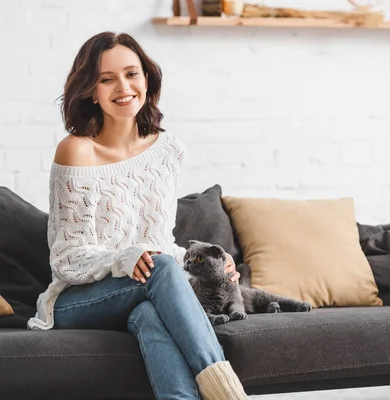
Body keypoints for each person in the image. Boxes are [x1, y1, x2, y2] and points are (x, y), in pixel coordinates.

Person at [27, 31, 248, 400]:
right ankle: (228, 392)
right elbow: (66, 259)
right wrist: (124, 259)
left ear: (147, 79)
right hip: (77, 299)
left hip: (141, 291)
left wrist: (212, 265)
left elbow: (161, 245)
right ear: (90, 90)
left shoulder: (167, 150)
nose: (123, 86)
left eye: (132, 74)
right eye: (106, 78)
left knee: (149, 313)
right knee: (158, 270)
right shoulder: (77, 151)